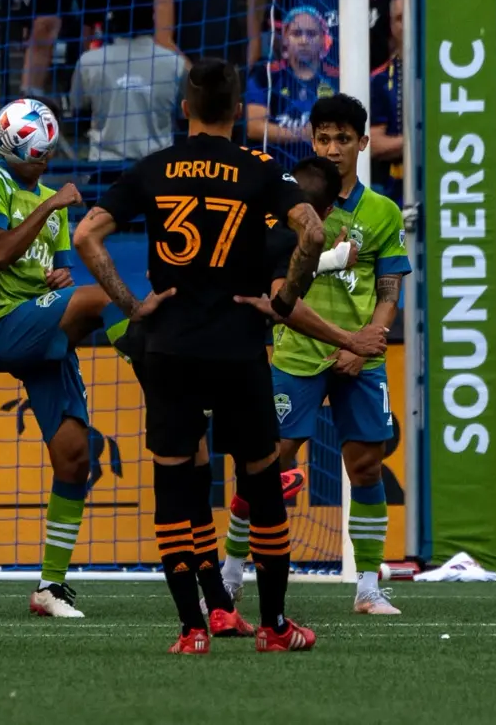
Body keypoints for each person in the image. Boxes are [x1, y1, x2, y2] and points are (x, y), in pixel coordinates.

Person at [72, 58, 325, 654]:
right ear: (237, 112)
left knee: (176, 486)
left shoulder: (155, 168)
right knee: (261, 484)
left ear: (183, 109)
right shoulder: (256, 168)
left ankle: (192, 628)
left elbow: (85, 235)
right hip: (237, 348)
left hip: (169, 348)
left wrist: (133, 305)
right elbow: (312, 232)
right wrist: (284, 299)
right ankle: (275, 626)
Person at [105, 155, 388, 614]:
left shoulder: (242, 213)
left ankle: (212, 604)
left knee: (193, 476)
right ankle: (260, 616)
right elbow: (285, 300)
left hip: (158, 345)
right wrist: (347, 336)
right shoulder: (281, 236)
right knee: (241, 473)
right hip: (213, 353)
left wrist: (332, 260)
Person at [229, 94, 410, 616]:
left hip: (359, 357)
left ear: (363, 143)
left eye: (343, 139)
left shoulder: (382, 212)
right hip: (297, 351)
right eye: (324, 139)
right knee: (268, 466)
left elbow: (389, 290)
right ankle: (231, 573)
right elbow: (276, 285)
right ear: (312, 142)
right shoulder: (288, 205)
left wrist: (370, 342)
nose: (333, 149)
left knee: (368, 467)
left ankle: (369, 588)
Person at [0, 102, 109, 617]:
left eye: (51, 153)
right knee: (102, 299)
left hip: (41, 327)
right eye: (40, 154)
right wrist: (50, 206)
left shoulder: (54, 205)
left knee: (75, 459)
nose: (46, 162)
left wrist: (59, 277)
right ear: (14, 149)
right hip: (2, 323)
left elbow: (57, 274)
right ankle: (162, 376)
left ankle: (49, 587)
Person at [70, 0, 187, 163]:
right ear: (152, 13)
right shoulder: (175, 64)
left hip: (104, 172)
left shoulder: (89, 62)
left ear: (112, 14)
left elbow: (78, 115)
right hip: (158, 172)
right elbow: (183, 119)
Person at [246, 7, 338, 170]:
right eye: (296, 34)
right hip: (276, 171)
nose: (303, 40)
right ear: (285, 40)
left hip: (326, 172)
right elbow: (254, 128)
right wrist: (305, 134)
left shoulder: (338, 79)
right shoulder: (265, 74)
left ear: (323, 40)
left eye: (311, 34)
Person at [369, 0, 404, 203]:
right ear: (391, 26)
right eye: (399, 18)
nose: (406, 24)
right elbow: (375, 144)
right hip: (396, 193)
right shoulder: (379, 80)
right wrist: (424, 140)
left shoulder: (448, 73)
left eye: (411, 17)